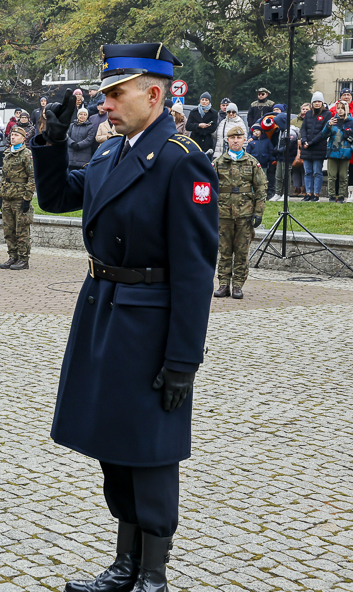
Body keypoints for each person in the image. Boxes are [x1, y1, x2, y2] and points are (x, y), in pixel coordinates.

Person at [31, 44, 218, 592]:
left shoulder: (182, 160)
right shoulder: (111, 152)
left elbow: (195, 271)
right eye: (104, 94)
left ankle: (152, 573)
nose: (104, 105)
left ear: (154, 94)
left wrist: (183, 358)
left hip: (149, 325)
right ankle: (124, 564)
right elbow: (56, 197)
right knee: (113, 441)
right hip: (103, 313)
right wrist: (51, 140)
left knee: (150, 449)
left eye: (115, 94)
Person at [213, 125, 267, 299]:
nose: (235, 141)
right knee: (224, 251)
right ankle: (223, 284)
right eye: (232, 138)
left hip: (245, 214)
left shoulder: (252, 162)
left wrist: (258, 212)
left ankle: (237, 285)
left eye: (238, 138)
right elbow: (209, 188)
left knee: (242, 252)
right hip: (223, 214)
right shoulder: (218, 163)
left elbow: (261, 188)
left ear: (244, 140)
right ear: (227, 140)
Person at [0, 127, 35, 270]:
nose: (13, 137)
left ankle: (23, 259)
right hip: (7, 196)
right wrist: (1, 195)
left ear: (23, 138)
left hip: (20, 197)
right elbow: (4, 176)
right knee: (9, 230)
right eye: (12, 135)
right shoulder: (8, 152)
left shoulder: (26, 154)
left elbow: (32, 177)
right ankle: (12, 256)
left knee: (21, 230)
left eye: (16, 135)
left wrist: (27, 198)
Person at [298, 92, 331, 201]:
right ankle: (308, 193)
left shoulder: (327, 114)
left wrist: (311, 142)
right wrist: (304, 140)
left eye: (319, 101)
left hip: (318, 147)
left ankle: (316, 194)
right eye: (315, 101)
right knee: (307, 172)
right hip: (306, 147)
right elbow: (303, 128)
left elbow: (324, 132)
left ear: (322, 102)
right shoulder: (308, 114)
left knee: (317, 172)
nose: (317, 103)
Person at [322, 100, 353, 203]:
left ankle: (341, 196)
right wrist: (328, 126)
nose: (340, 110)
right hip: (333, 151)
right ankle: (331, 195)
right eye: (338, 108)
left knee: (343, 176)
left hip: (346, 152)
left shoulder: (351, 122)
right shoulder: (332, 121)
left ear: (346, 109)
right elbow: (323, 135)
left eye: (342, 108)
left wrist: (351, 147)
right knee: (332, 175)